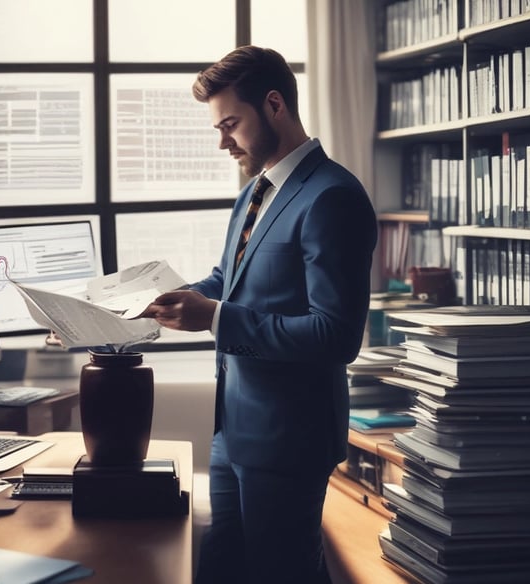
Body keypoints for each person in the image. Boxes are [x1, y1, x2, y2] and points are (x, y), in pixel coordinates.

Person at [139, 45, 377, 583]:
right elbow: (228, 281)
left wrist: (215, 318)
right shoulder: (255, 190)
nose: (222, 142)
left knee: (281, 572)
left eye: (230, 125)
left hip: (289, 437)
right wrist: (158, 301)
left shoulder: (332, 197)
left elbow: (336, 335)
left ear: (274, 105)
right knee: (221, 568)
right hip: (233, 429)